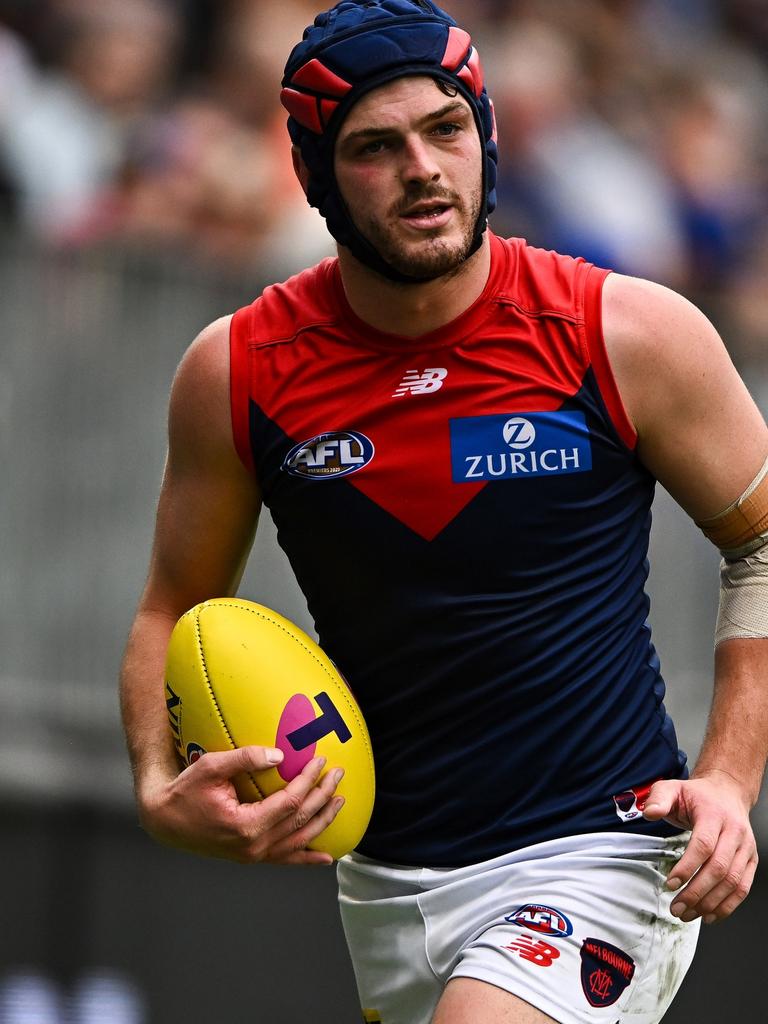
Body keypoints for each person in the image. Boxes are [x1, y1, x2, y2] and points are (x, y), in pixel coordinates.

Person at [120, 2, 768, 1022]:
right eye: (377, 146)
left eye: (447, 128)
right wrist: (159, 785)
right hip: (384, 884)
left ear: (488, 138)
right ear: (317, 173)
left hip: (599, 852)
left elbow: (763, 543)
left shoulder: (625, 331)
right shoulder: (237, 370)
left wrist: (729, 779)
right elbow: (174, 604)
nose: (423, 166)